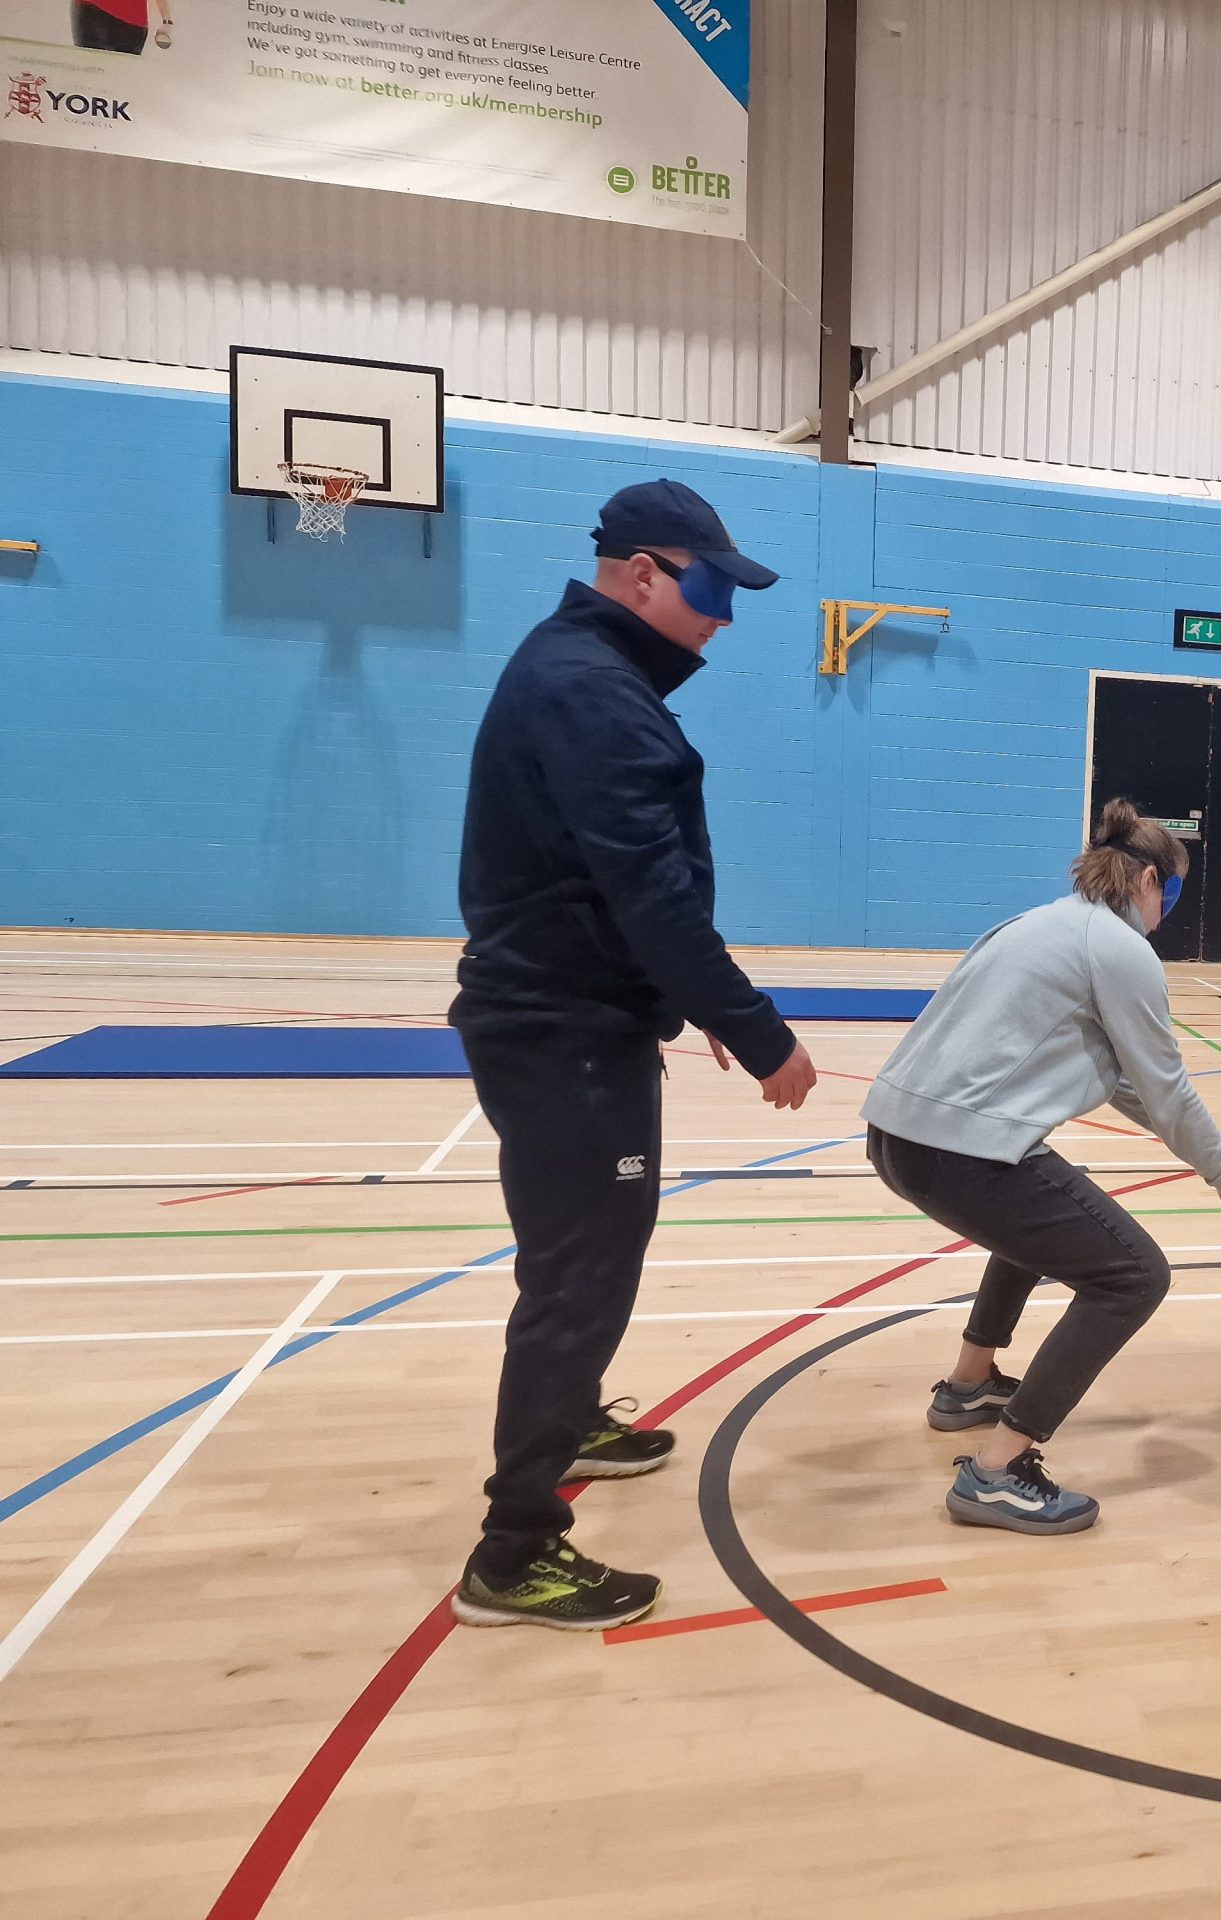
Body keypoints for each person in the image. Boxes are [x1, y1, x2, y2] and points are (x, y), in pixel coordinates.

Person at [447, 479, 818, 1631]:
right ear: (644, 573)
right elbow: (649, 895)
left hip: (571, 1022)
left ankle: (571, 1427)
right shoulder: (594, 692)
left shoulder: (581, 670)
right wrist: (755, 1028)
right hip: (566, 1036)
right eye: (711, 590)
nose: (722, 618)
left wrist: (677, 995)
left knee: (587, 1255)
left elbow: (615, 889)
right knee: (581, 1274)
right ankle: (514, 1552)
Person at [863, 801, 1221, 1537]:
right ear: (1150, 881)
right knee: (1133, 1275)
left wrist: (1207, 1143)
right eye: (1173, 893)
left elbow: (1133, 1085)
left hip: (896, 1135)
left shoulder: (1038, 923)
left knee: (1040, 1219)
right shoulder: (1121, 950)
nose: (1169, 911)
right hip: (958, 1151)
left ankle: (969, 1387)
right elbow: (1168, 1091)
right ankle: (998, 1473)